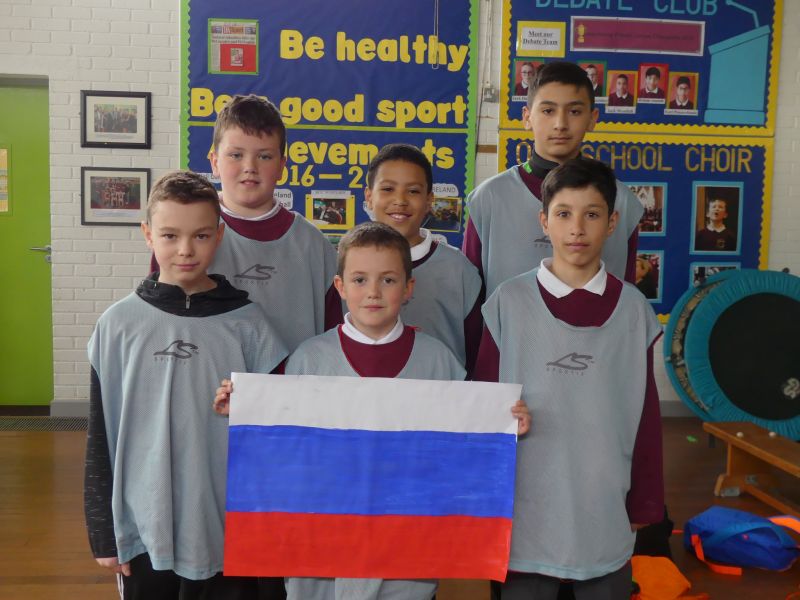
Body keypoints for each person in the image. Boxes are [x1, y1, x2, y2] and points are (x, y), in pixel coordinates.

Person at [214, 221, 531, 600]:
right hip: (321, 558)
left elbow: (463, 449)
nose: (373, 292)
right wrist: (246, 407)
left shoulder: (438, 361)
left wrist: (504, 423)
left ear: (408, 288)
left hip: (405, 560)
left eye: (388, 280)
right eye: (360, 280)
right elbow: (282, 449)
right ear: (340, 286)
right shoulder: (308, 359)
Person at [84, 171, 289, 600]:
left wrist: (251, 405)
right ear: (148, 234)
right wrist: (103, 532)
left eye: (200, 235)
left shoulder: (249, 325)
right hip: (144, 527)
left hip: (223, 526)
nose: (185, 249)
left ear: (219, 235)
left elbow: (275, 439)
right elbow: (100, 435)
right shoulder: (116, 326)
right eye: (170, 235)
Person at [474, 157, 664, 600]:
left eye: (591, 214)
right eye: (563, 214)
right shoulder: (508, 303)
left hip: (603, 501)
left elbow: (646, 415)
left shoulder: (633, 310)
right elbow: (483, 406)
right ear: (544, 221)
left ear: (612, 223)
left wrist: (646, 498)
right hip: (526, 506)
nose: (577, 228)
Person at [152, 94, 343, 353]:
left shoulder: (314, 245)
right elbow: (159, 323)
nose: (249, 166)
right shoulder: (182, 237)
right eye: (236, 155)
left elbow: (337, 338)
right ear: (214, 162)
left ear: (282, 166)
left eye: (264, 156)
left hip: (295, 378)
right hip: (206, 376)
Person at [463, 60, 644, 297]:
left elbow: (627, 297)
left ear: (592, 118)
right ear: (527, 117)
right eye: (548, 111)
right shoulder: (489, 198)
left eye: (574, 111)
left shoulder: (622, 201)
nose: (560, 124)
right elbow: (468, 300)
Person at [365, 143, 482, 372]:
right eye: (388, 189)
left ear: (429, 200)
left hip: (442, 392)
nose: (400, 200)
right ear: (369, 197)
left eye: (413, 191)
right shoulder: (346, 267)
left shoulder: (459, 270)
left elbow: (477, 353)